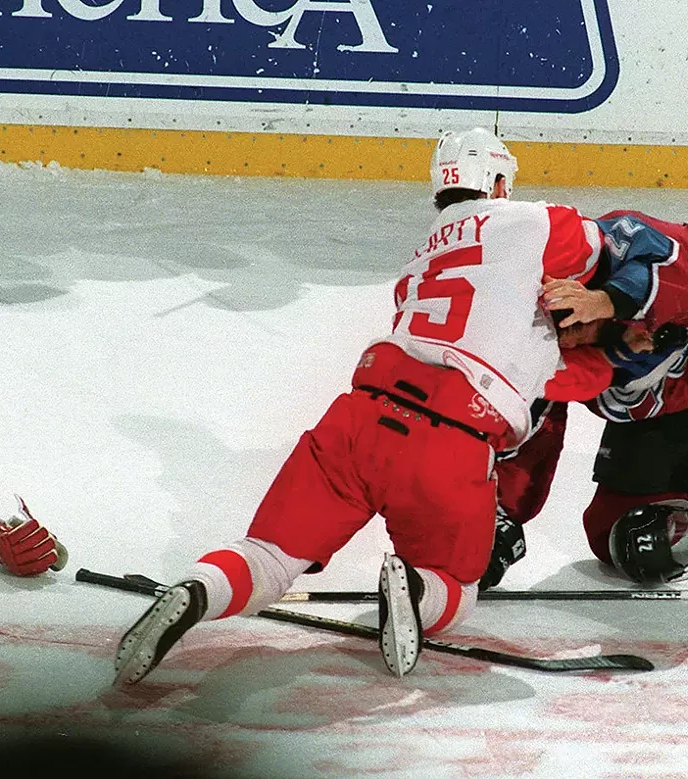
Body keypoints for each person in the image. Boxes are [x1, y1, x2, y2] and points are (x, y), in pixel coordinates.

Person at [112, 127, 614, 684]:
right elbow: (621, 253)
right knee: (458, 585)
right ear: (498, 183)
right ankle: (417, 590)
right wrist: (610, 313)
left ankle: (198, 589)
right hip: (450, 439)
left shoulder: (421, 258)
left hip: (357, 418)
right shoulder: (538, 221)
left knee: (270, 556)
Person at [481, 209, 688, 589]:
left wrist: (607, 300)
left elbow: (682, 282)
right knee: (624, 540)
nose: (567, 331)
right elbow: (530, 423)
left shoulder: (610, 242)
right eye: (552, 328)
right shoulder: (553, 357)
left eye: (563, 312)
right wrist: (500, 514)